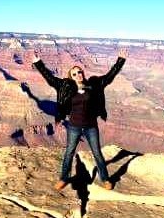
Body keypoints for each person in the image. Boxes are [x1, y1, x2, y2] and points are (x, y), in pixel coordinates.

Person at [32, 48, 127, 191]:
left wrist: (120, 60)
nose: (78, 74)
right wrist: (38, 63)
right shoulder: (65, 86)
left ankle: (105, 179)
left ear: (83, 73)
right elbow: (49, 78)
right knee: (69, 152)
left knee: (97, 153)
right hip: (74, 126)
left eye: (80, 72)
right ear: (71, 76)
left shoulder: (94, 84)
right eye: (74, 73)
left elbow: (109, 77)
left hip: (91, 126)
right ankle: (64, 178)